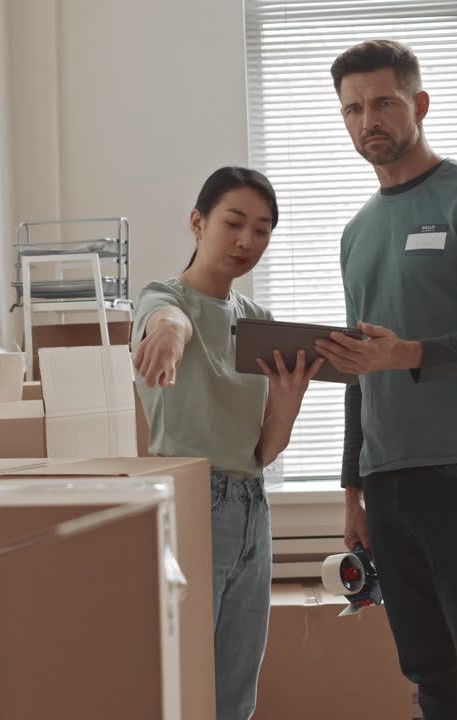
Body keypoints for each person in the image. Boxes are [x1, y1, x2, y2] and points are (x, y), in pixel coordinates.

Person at [312, 40, 457, 720]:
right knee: (430, 679)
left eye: (382, 102)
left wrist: (407, 353)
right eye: (352, 109)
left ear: (419, 104)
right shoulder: (357, 232)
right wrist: (354, 492)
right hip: (388, 486)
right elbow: (359, 371)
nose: (367, 121)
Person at [132, 166, 322, 720]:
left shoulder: (259, 322)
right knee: (185, 684)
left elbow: (262, 451)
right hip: (191, 502)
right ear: (198, 222)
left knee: (236, 690)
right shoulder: (163, 298)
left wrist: (287, 404)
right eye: (234, 223)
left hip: (251, 505)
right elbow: (166, 318)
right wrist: (168, 331)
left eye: (262, 230)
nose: (247, 241)